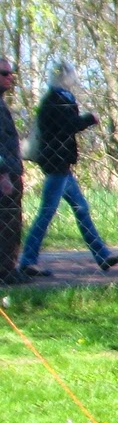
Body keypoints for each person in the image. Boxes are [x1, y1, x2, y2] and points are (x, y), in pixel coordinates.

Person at [16, 60, 118, 277]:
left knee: (81, 209)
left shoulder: (59, 98)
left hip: (61, 165)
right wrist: (89, 119)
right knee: (47, 213)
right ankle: (27, 260)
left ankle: (102, 255)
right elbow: (69, 125)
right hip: (56, 165)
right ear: (65, 77)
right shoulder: (55, 100)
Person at [0, 57, 23, 284]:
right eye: (4, 73)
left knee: (13, 221)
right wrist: (4, 174)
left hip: (12, 171)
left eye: (10, 73)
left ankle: (9, 268)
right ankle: (5, 271)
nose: (9, 77)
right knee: (7, 223)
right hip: (5, 176)